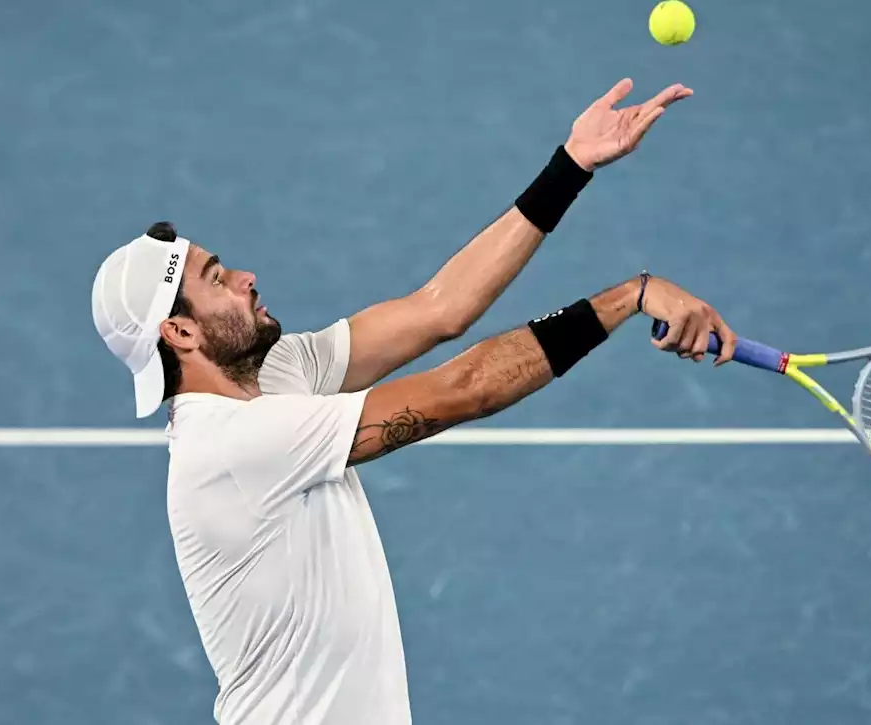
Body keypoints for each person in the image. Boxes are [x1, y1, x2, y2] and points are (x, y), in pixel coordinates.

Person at [89, 78, 737, 725]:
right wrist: (627, 297)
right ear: (179, 333)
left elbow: (439, 310)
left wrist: (571, 165)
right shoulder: (238, 443)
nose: (244, 278)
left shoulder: (276, 372)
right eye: (216, 279)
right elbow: (466, 388)